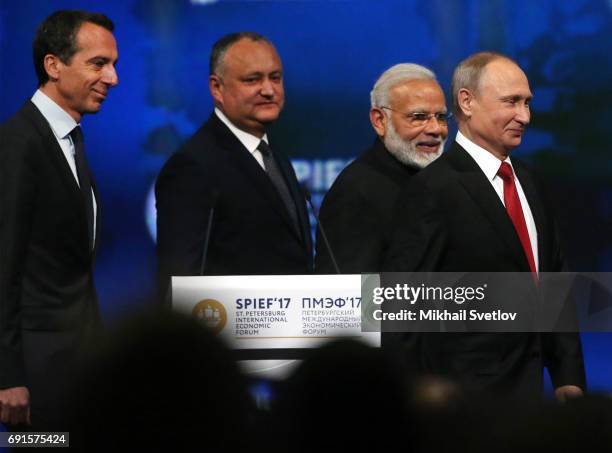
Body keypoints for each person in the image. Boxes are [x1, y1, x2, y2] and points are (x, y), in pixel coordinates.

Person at [383, 52, 585, 399]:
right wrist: (414, 395)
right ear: (467, 101)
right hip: (464, 403)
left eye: (527, 103)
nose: (524, 116)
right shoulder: (433, 188)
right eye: (511, 102)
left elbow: (553, 282)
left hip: (531, 396)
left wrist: (568, 375)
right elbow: (402, 303)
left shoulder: (530, 182)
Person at [0, 10, 118, 429]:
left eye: (114, 65)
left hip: (77, 370)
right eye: (98, 64)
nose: (113, 78)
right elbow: (4, 266)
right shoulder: (18, 145)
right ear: (53, 65)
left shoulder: (69, 138)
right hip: (34, 376)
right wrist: (7, 374)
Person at [156, 32, 312, 298]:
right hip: (228, 335)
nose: (268, 89)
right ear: (217, 88)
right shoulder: (192, 166)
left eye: (275, 77)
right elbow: (181, 279)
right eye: (253, 80)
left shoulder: (276, 157)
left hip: (292, 333)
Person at [315, 63, 448, 273]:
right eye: (418, 117)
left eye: (440, 117)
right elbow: (350, 297)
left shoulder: (444, 179)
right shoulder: (356, 191)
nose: (435, 129)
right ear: (380, 120)